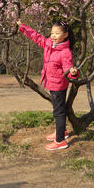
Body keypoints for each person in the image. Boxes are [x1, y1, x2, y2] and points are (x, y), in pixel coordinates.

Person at [17, 19, 79, 151]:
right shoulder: (49, 44)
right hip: (51, 82)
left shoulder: (65, 52)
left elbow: (68, 69)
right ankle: (60, 131)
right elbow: (37, 37)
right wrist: (23, 27)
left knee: (58, 112)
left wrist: (72, 73)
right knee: (58, 110)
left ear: (65, 35)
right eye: (52, 33)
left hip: (58, 85)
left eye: (57, 33)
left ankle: (60, 140)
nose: (53, 36)